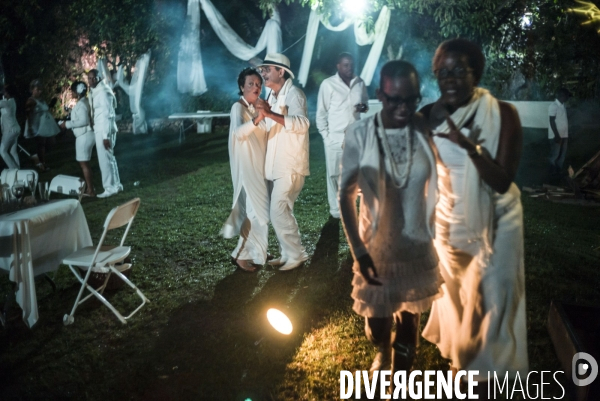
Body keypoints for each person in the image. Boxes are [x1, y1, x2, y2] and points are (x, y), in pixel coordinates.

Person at [420, 38, 528, 394]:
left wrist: (469, 146)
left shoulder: (503, 113)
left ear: (475, 72)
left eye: (458, 70)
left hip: (498, 217)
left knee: (491, 292)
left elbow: (500, 182)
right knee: (457, 294)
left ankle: (486, 371)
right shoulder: (428, 115)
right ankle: (462, 354)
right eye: (443, 72)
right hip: (449, 216)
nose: (450, 78)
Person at [339, 60, 442, 377]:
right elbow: (346, 194)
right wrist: (359, 250)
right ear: (379, 96)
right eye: (394, 99)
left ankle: (400, 381)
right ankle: (382, 351)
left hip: (417, 248)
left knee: (409, 324)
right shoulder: (359, 134)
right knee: (378, 328)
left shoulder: (425, 130)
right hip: (376, 248)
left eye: (411, 99)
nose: (403, 107)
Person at [255, 53, 310, 272]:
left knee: (278, 211)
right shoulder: (274, 97)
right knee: (282, 211)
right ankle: (289, 253)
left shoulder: (294, 94)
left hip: (290, 164)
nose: (263, 73)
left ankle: (296, 255)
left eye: (268, 69)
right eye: (263, 69)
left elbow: (303, 123)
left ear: (281, 72)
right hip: (277, 166)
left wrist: (270, 114)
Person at [220, 68, 270, 272]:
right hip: (247, 168)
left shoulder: (255, 107)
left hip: (260, 167)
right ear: (242, 87)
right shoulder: (237, 108)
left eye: (258, 84)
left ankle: (259, 251)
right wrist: (259, 117)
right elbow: (239, 133)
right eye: (251, 84)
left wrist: (264, 113)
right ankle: (240, 255)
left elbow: (264, 133)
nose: (256, 87)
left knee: (260, 212)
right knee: (256, 212)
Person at [316, 52, 369, 218]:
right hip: (335, 137)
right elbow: (321, 113)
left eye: (351, 65)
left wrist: (363, 108)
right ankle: (335, 210)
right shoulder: (328, 84)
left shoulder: (359, 83)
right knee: (333, 174)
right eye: (345, 65)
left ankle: (351, 204)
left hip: (355, 137)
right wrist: (326, 137)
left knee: (355, 172)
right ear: (338, 66)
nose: (349, 68)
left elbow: (366, 105)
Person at [87, 69, 122, 198]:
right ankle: (116, 185)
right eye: (88, 78)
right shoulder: (98, 91)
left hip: (104, 129)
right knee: (109, 158)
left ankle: (109, 187)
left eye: (92, 78)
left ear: (98, 78)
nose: (90, 81)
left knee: (105, 160)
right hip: (101, 128)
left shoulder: (103, 92)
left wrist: (105, 136)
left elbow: (108, 115)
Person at [60, 81, 96, 197]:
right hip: (84, 135)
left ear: (78, 92)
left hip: (84, 136)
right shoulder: (84, 102)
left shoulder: (82, 104)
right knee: (84, 162)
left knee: (83, 163)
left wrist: (67, 124)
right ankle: (90, 188)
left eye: (72, 91)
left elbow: (84, 121)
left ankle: (90, 190)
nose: (71, 93)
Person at [24, 79, 60, 172]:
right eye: (37, 89)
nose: (39, 91)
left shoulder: (40, 99)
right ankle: (42, 164)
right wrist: (30, 126)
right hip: (38, 125)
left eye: (40, 90)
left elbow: (43, 108)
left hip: (46, 124)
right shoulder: (31, 101)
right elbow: (28, 114)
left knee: (51, 142)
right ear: (32, 90)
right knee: (41, 145)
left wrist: (50, 104)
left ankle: (38, 159)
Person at [548, 87, 570, 175]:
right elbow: (551, 121)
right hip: (556, 135)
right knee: (555, 154)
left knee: (562, 154)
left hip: (564, 134)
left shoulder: (563, 105)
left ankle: (558, 170)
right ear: (563, 96)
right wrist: (556, 135)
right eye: (567, 96)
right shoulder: (553, 106)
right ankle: (551, 171)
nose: (568, 98)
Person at [0, 84, 21, 169]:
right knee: (13, 152)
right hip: (15, 129)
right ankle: (18, 170)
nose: (3, 92)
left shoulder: (6, 103)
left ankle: (13, 169)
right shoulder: (12, 102)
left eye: (5, 91)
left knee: (2, 151)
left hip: (9, 130)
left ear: (8, 93)